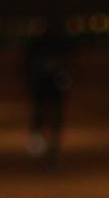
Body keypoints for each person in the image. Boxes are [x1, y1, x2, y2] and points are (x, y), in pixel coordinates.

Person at [23, 15, 73, 161]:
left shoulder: (45, 46)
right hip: (45, 85)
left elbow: (69, 65)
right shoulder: (53, 46)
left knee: (47, 115)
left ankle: (47, 147)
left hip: (49, 85)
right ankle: (43, 147)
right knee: (45, 115)